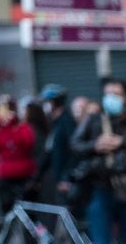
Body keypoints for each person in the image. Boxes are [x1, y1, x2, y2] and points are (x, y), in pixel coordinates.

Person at [70, 77, 126, 244]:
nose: (111, 98)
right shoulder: (94, 120)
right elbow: (74, 145)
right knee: (100, 239)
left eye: (116, 94)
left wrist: (124, 143)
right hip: (100, 189)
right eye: (107, 94)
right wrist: (96, 145)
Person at [0, 95, 37, 214]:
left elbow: (27, 142)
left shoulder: (21, 127)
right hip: (5, 174)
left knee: (28, 209)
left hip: (24, 173)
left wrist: (13, 123)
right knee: (6, 208)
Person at [37, 83, 78, 211]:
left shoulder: (66, 122)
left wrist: (67, 177)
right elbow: (50, 152)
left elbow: (74, 151)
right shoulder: (56, 124)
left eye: (47, 102)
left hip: (66, 182)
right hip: (59, 179)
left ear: (54, 103)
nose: (45, 106)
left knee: (72, 221)